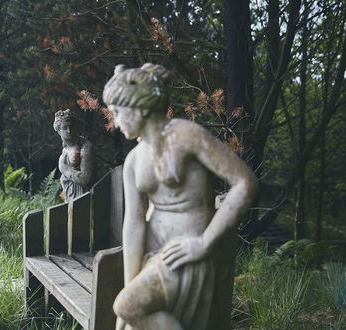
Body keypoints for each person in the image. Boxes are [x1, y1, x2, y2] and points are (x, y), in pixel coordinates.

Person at [102, 63, 258, 330]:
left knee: (127, 307)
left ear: (138, 106)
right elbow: (134, 223)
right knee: (127, 317)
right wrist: (131, 283)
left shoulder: (186, 135)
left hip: (187, 255)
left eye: (117, 112)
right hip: (155, 257)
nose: (114, 122)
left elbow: (245, 182)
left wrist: (205, 242)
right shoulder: (133, 160)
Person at [53, 109, 94, 202]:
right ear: (58, 130)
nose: (69, 131)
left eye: (71, 127)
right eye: (65, 128)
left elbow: (85, 178)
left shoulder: (85, 147)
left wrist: (64, 168)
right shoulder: (65, 151)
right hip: (70, 198)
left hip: (85, 198)